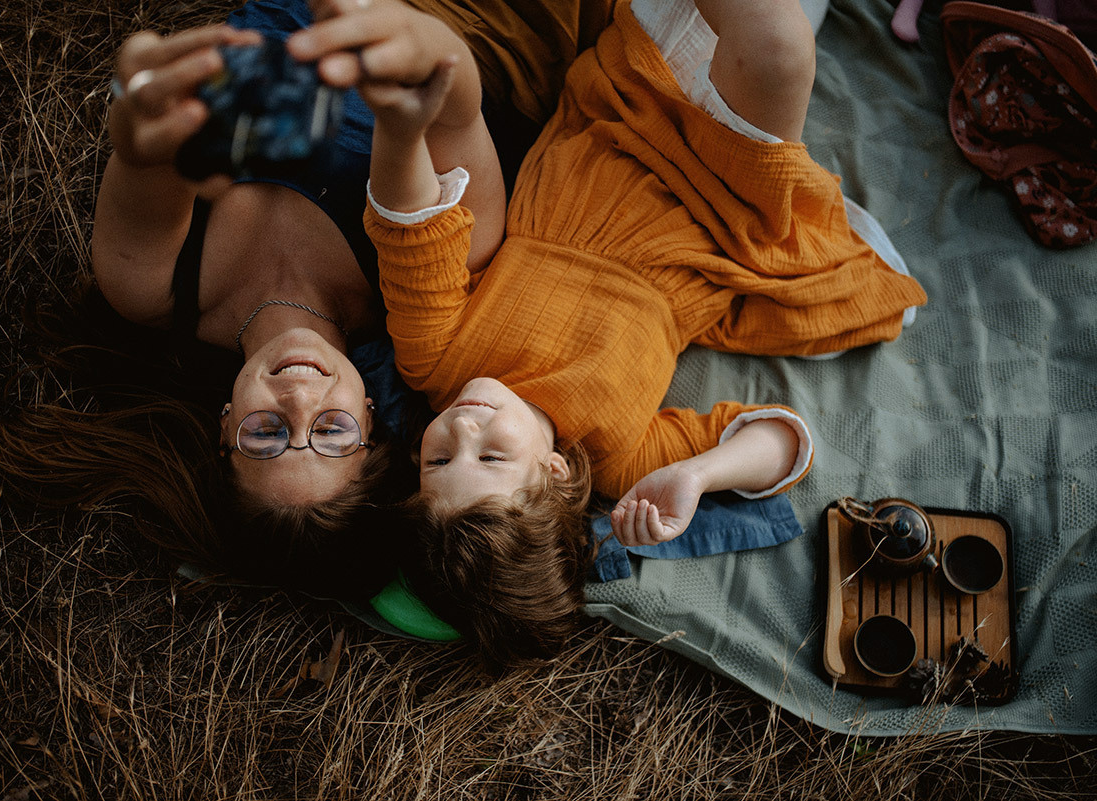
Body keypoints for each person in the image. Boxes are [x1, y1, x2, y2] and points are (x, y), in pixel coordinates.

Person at [0, 0, 616, 600]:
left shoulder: (149, 288)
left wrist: (141, 109)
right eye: (332, 431)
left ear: (225, 427)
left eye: (267, 434)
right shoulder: (430, 289)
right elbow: (457, 113)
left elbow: (145, 152)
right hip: (499, 29)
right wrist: (425, 48)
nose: (299, 398)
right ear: (371, 422)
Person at [359, 0, 930, 666]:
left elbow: (414, 234)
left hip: (617, 110)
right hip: (721, 200)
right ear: (550, 473)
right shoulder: (619, 449)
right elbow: (784, 443)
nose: (461, 430)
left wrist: (398, 128)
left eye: (435, 460)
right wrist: (698, 473)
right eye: (489, 459)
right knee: (779, 47)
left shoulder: (437, 360)